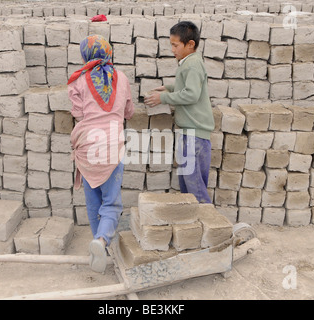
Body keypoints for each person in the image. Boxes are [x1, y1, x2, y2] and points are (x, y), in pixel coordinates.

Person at [68, 35, 135, 273]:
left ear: (85, 55)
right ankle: (102, 241)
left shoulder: (79, 80)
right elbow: (129, 111)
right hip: (111, 146)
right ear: (109, 52)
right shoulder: (123, 78)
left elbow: (77, 113)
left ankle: (99, 249)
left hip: (87, 147)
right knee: (111, 203)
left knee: (93, 200)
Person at [145, 21, 215, 204]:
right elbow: (186, 85)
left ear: (190, 44)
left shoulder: (192, 64)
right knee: (187, 189)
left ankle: (212, 227)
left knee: (195, 190)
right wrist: (168, 87)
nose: (172, 50)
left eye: (175, 45)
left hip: (195, 135)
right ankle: (194, 228)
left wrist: (163, 98)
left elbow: (192, 94)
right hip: (188, 133)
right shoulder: (188, 63)